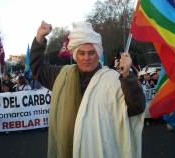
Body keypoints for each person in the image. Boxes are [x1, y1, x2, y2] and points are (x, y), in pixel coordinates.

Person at [30, 21, 145, 158]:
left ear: (98, 54)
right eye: (81, 53)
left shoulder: (113, 80)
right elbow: (38, 69)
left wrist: (127, 76)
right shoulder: (62, 76)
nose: (86, 58)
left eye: (91, 53)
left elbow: (136, 107)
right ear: (75, 55)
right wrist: (39, 39)